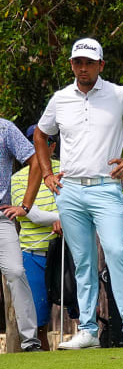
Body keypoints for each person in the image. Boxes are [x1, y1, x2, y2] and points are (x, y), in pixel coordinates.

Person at [34, 37, 123, 350]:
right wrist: (47, 173)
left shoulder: (118, 95)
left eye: (89, 62)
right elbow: (40, 132)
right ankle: (87, 330)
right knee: (83, 262)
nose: (83, 68)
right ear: (72, 65)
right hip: (70, 190)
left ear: (101, 65)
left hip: (105, 188)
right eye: (78, 62)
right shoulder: (60, 98)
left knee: (117, 252)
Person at [7, 126, 62, 350]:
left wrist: (66, 218)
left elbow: (78, 207)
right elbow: (30, 213)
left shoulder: (67, 170)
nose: (37, 147)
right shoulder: (18, 178)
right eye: (32, 143)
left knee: (84, 315)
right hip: (34, 253)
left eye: (45, 142)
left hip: (66, 252)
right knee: (39, 324)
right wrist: (62, 218)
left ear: (53, 146)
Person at [0, 119, 43, 352]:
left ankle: (30, 342)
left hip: (1, 217)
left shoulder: (5, 129)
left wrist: (25, 206)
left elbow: (35, 160)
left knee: (16, 272)